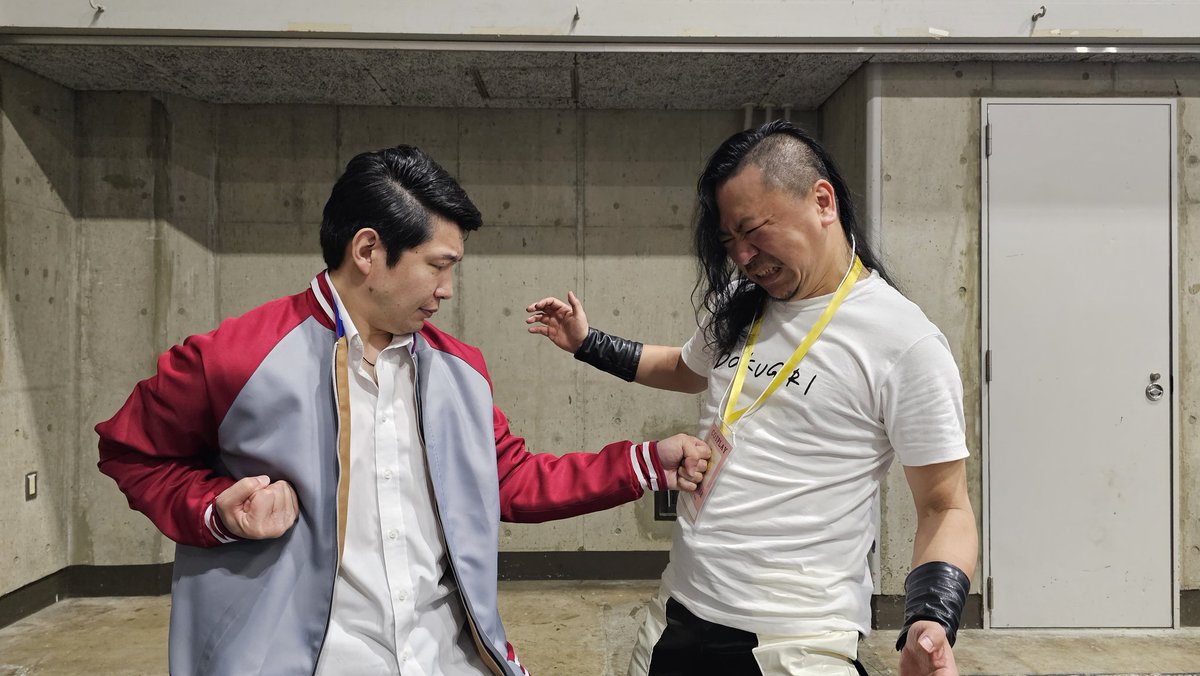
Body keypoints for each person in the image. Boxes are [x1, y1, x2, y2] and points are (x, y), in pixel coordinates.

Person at [96, 145, 710, 676]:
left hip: (445, 657)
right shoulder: (234, 359)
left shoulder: (460, 371)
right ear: (368, 249)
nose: (447, 289)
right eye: (438, 266)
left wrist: (644, 463)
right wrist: (216, 511)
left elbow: (509, 480)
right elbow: (131, 453)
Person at [526, 120, 978, 676]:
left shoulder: (904, 341)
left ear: (822, 202)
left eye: (753, 230)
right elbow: (685, 368)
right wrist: (588, 343)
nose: (743, 255)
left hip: (795, 642)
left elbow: (945, 507)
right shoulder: (745, 302)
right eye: (728, 242)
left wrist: (932, 616)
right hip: (677, 614)